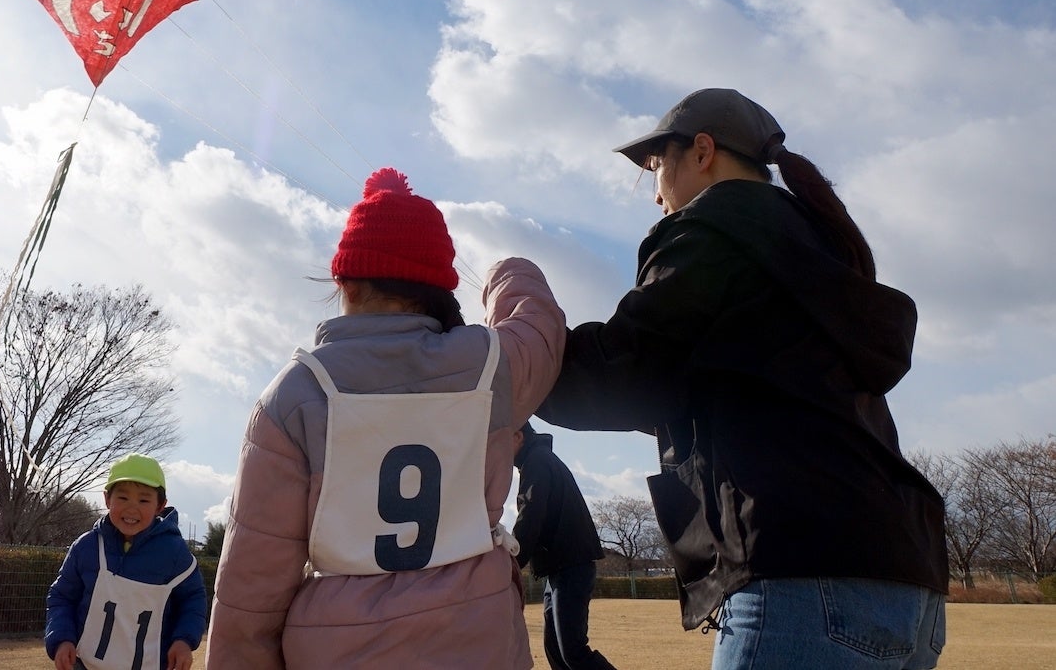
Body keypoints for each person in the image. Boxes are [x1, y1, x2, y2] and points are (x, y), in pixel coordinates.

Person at [538, 88, 948, 669]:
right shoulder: (812, 250)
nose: (656, 193)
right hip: (910, 579)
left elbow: (626, 371)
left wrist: (520, 350)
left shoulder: (718, 227)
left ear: (702, 150)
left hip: (803, 578)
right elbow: (703, 386)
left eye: (658, 168)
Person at [206, 167, 566, 668]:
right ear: (439, 287)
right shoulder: (486, 366)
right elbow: (540, 327)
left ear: (345, 282)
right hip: (477, 639)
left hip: (338, 646)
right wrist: (506, 270)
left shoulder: (294, 393)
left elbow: (252, 584)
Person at [45, 453, 208, 670]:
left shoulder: (174, 553)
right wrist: (62, 638)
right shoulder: (86, 547)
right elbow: (61, 597)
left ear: (160, 506)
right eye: (122, 498)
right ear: (106, 499)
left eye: (143, 500)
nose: (132, 508)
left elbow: (193, 600)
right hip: (85, 664)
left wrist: (184, 640)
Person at [512, 421, 617, 670]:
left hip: (570, 565)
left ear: (517, 436)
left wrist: (512, 563)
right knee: (557, 651)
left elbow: (530, 515)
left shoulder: (536, 461)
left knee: (573, 652)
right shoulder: (540, 458)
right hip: (560, 567)